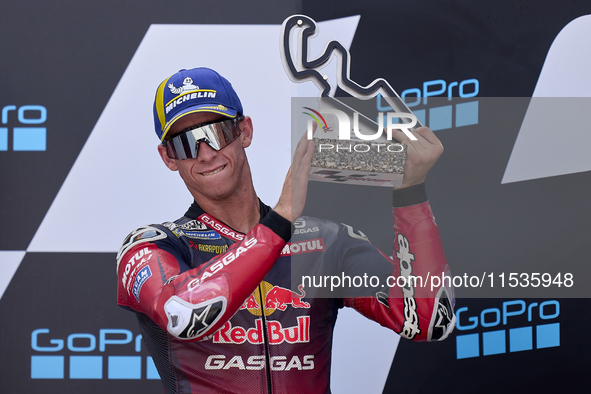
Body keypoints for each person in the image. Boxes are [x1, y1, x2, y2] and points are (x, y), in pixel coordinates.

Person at [116, 67, 455, 394]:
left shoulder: (325, 244)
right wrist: (280, 222)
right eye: (185, 143)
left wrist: (410, 192)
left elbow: (428, 320)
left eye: (215, 133)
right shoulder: (152, 247)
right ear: (168, 157)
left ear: (244, 131)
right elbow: (183, 312)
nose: (205, 154)